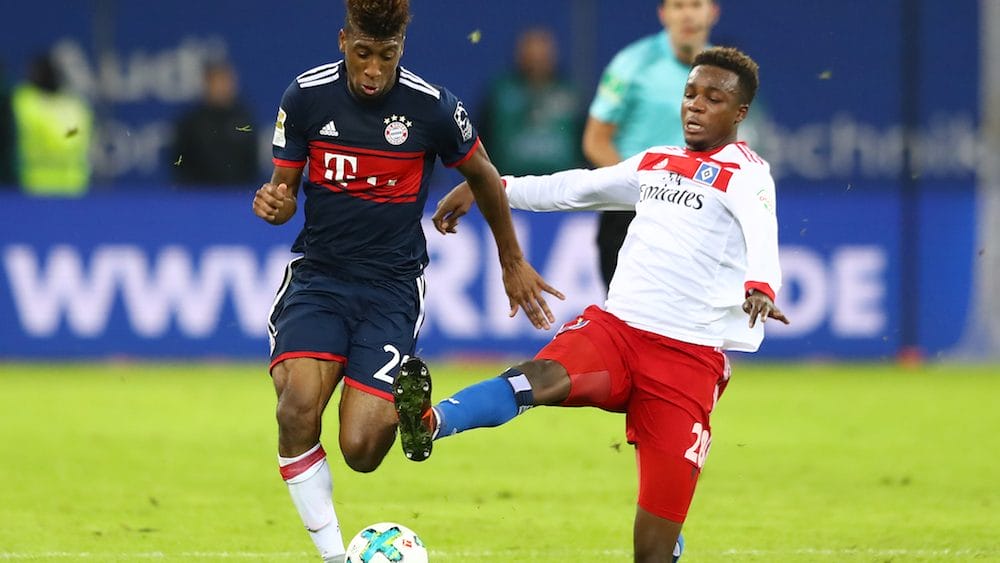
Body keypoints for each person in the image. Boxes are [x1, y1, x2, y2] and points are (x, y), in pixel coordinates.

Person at [395, 47, 788, 563]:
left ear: (739, 113)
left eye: (713, 98)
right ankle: (429, 423)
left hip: (685, 365)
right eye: (690, 94)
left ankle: (668, 546)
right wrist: (493, 186)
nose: (695, 105)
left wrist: (762, 284)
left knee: (651, 550)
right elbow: (575, 188)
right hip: (617, 333)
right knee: (538, 378)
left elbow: (762, 229)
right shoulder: (657, 162)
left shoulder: (747, 172)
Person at [250, 1, 563, 561]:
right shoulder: (305, 97)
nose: (373, 71)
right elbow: (283, 193)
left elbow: (485, 173)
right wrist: (275, 204)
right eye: (363, 54)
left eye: (386, 56)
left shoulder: (432, 108)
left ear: (401, 50)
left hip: (392, 285)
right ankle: (335, 556)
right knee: (297, 408)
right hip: (320, 277)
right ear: (343, 40)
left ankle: (411, 416)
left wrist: (511, 261)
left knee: (362, 450)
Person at [584, 0, 719, 290]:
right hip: (632, 213)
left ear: (712, 12)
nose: (687, 14)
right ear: (663, 14)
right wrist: (646, 191)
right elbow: (595, 141)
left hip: (696, 213)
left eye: (696, 5)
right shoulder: (632, 63)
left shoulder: (724, 73)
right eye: (678, 5)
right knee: (630, 324)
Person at [478, 27, 585, 176]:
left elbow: (584, 143)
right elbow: (480, 142)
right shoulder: (499, 92)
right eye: (531, 54)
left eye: (542, 55)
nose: (536, 60)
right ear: (519, 55)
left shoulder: (570, 93)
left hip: (561, 187)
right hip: (509, 186)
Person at [11, 53, 93, 196]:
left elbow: (72, 136)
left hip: (66, 188)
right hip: (36, 188)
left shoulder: (24, 102)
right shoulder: (76, 106)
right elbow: (72, 135)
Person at [171, 59, 259, 187]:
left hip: (236, 195)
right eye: (217, 81)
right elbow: (179, 163)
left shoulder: (243, 119)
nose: (223, 87)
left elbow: (251, 163)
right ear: (207, 84)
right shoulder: (191, 123)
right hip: (198, 196)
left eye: (226, 81)